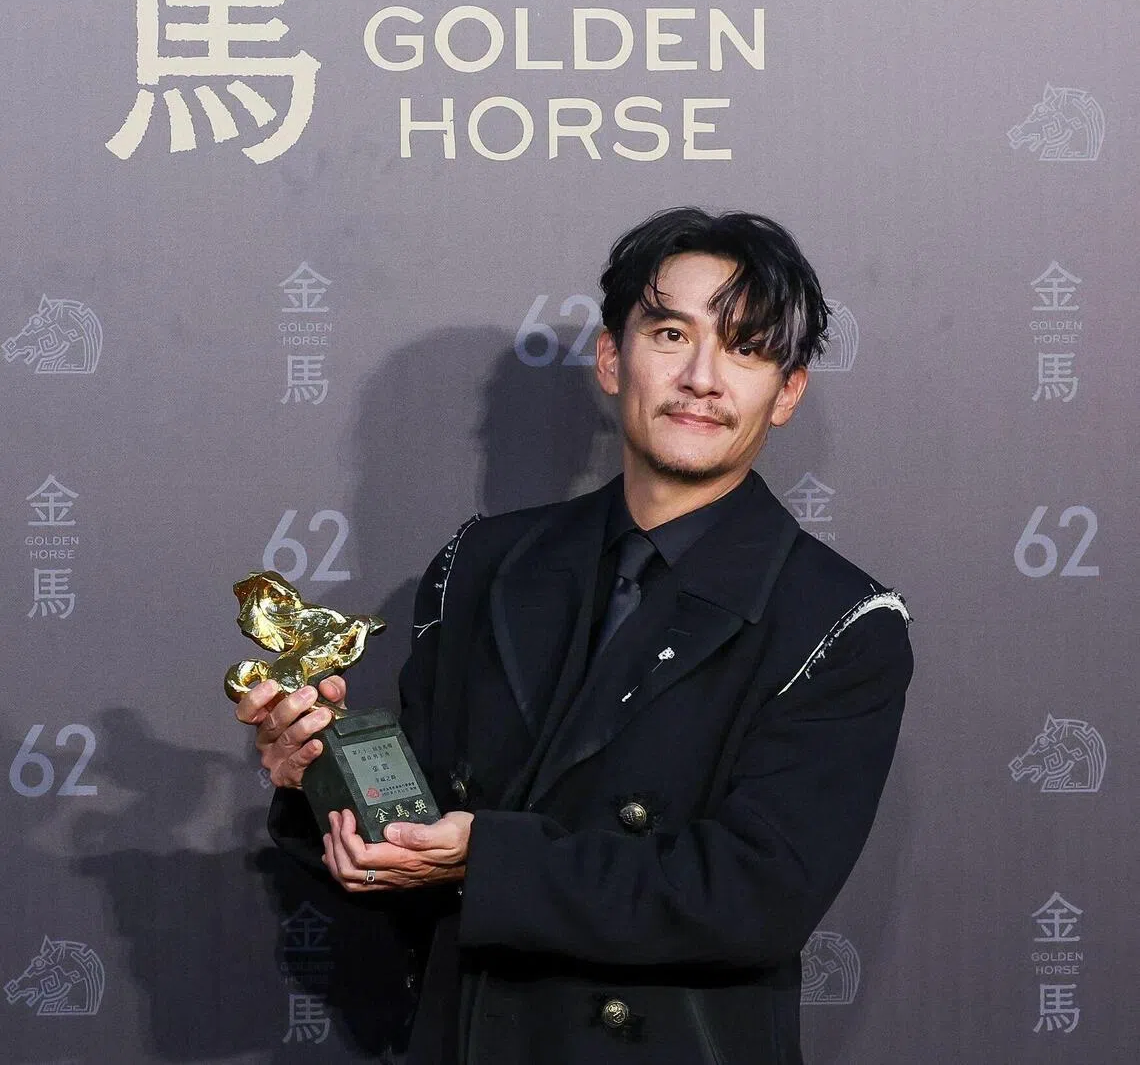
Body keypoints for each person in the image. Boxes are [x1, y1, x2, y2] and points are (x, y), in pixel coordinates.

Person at [237, 207, 914, 1065]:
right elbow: (417, 859)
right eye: (671, 334)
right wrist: (317, 779)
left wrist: (487, 861)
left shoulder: (840, 621)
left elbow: (753, 900)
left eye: (746, 348)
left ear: (786, 393)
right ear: (611, 358)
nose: (702, 377)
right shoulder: (481, 565)